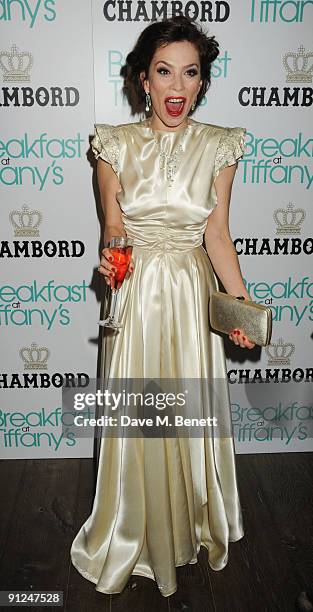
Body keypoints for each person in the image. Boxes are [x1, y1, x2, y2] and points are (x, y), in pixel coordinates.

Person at [70, 15, 255, 599]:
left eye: (190, 73)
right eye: (164, 71)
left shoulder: (220, 144)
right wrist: (112, 266)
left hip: (192, 294)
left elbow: (218, 236)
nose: (177, 87)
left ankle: (193, 523)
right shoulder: (114, 145)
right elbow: (115, 232)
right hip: (141, 296)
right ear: (143, 80)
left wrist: (242, 310)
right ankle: (135, 531)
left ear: (202, 81)